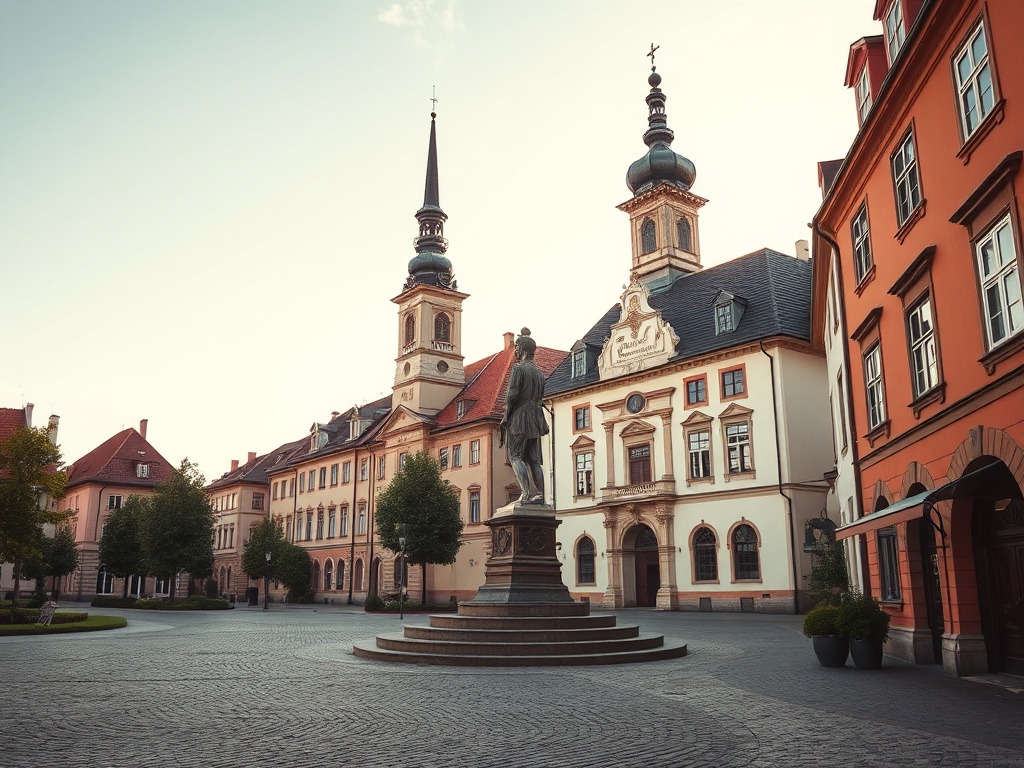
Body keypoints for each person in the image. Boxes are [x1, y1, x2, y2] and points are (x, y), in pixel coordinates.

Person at [500, 328, 549, 503]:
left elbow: (512, 394)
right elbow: (540, 396)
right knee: (534, 459)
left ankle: (527, 494)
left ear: (521, 349)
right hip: (536, 417)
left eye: (517, 348)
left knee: (515, 455)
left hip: (520, 415)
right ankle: (541, 496)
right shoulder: (539, 373)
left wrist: (506, 416)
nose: (515, 351)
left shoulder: (518, 369)